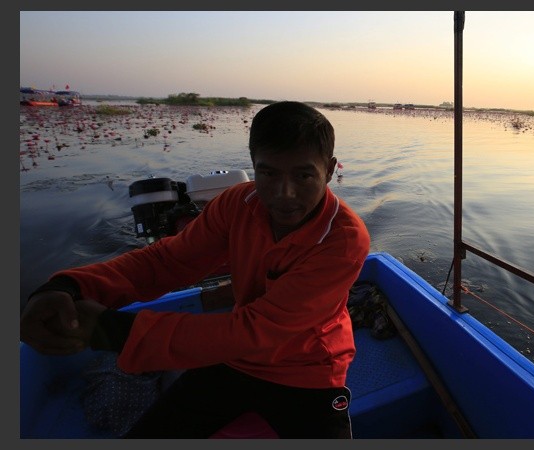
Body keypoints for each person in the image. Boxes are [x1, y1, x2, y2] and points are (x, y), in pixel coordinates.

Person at [19, 101, 371, 438]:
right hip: (234, 361)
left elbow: (257, 331)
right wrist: (69, 286)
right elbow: (167, 261)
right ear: (253, 164)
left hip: (308, 372)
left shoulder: (344, 240)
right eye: (268, 173)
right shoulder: (237, 203)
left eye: (304, 175)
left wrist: (110, 330)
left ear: (329, 169)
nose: (284, 193)